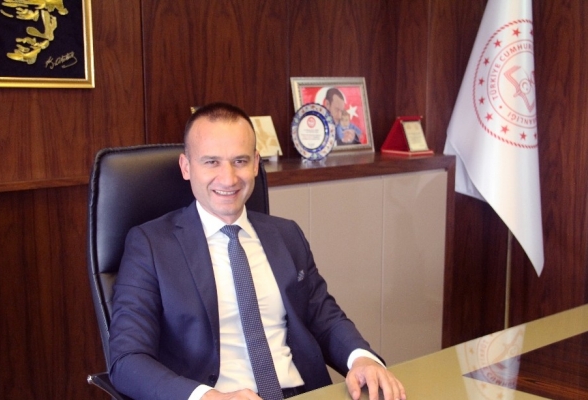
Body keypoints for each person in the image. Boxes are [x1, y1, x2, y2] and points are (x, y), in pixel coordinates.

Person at [108, 102, 406, 400]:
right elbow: (127, 359)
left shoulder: (286, 234)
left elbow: (325, 317)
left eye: (239, 161)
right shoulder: (150, 246)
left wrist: (362, 358)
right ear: (186, 167)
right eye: (211, 162)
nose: (228, 178)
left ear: (255, 163)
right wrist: (206, 397)